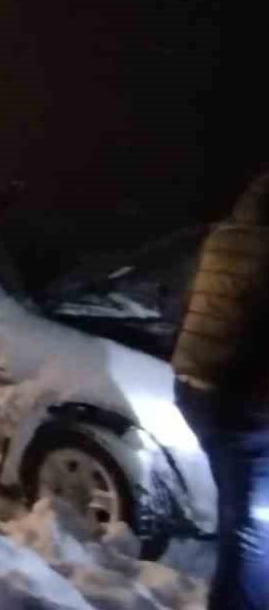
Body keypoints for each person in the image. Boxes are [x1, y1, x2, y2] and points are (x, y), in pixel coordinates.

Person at [172, 171, 269, 610]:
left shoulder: (225, 236)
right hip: (240, 401)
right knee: (251, 524)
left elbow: (189, 301)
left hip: (195, 386)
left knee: (242, 512)